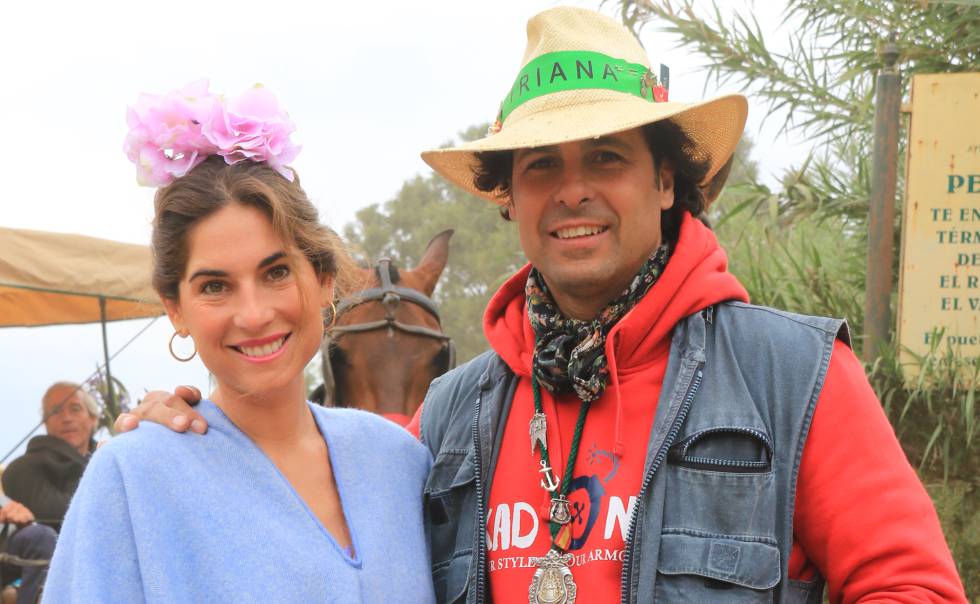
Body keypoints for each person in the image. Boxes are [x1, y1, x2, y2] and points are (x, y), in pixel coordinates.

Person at [120, 8, 966, 603]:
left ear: (666, 179)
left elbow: (913, 588)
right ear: (508, 200)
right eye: (540, 166)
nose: (573, 192)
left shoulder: (793, 375)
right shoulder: (452, 418)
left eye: (605, 156)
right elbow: (316, 490)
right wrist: (200, 439)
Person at [43, 82, 434, 603]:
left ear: (322, 279)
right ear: (174, 308)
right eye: (214, 286)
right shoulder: (132, 480)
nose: (253, 314)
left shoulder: (401, 462)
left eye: (275, 272)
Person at [1, 382, 99, 604]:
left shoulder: (104, 462)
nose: (66, 418)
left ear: (93, 418)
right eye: (55, 411)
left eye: (75, 408)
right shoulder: (23, 468)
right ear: (45, 423)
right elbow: (61, 512)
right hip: (35, 557)